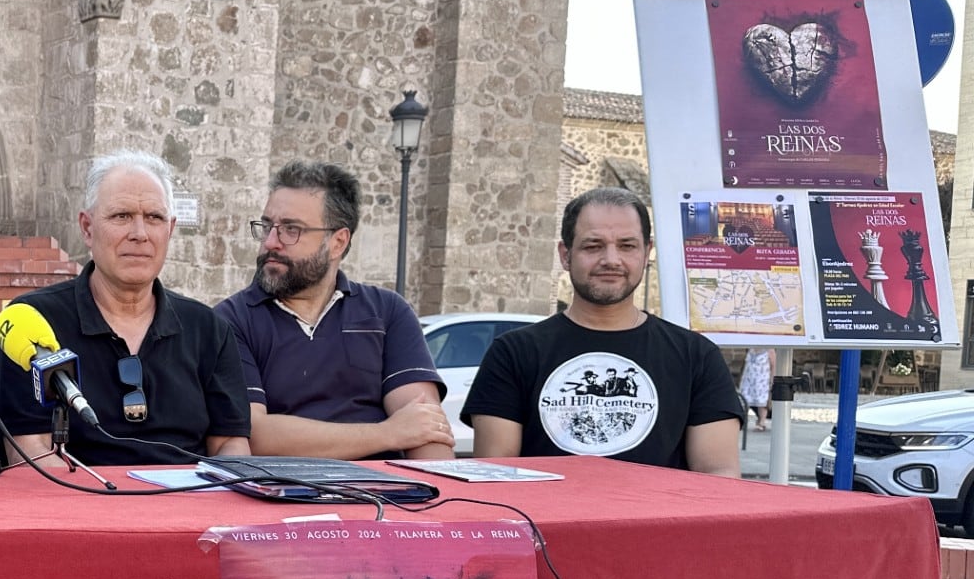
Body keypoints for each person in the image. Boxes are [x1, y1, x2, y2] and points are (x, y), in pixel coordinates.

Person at [0, 150, 250, 467]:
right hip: (76, 505)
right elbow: (30, 450)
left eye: (154, 218)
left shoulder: (209, 329)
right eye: (121, 216)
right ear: (87, 228)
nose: (139, 234)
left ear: (170, 229)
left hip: (187, 507)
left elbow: (230, 443)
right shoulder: (32, 322)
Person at [465, 186, 743, 475]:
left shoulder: (696, 355)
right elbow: (496, 476)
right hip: (549, 520)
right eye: (593, 245)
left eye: (627, 245)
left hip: (657, 519)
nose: (611, 259)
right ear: (565, 254)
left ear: (647, 252)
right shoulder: (513, 353)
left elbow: (718, 476)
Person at [215, 160, 452, 461]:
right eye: (267, 227)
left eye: (291, 229)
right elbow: (254, 434)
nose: (271, 243)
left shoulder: (387, 312)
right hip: (286, 496)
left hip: (387, 494)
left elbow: (425, 427)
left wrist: (438, 498)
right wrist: (387, 433)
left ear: (338, 242)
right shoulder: (231, 320)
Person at [739, 346, 774, 430]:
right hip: (748, 379)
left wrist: (772, 379)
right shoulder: (750, 348)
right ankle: (744, 420)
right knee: (745, 400)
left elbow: (773, 365)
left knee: (762, 400)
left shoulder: (770, 349)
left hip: (762, 380)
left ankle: (761, 422)